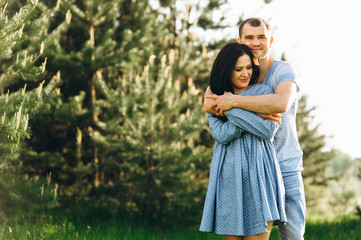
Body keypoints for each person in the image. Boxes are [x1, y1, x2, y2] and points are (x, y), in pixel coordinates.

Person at [204, 18, 306, 240]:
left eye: (261, 37)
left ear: (270, 40)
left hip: (284, 165)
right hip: (242, 169)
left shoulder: (282, 72)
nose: (255, 42)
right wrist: (239, 108)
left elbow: (280, 104)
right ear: (239, 41)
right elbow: (210, 105)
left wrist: (232, 104)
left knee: (293, 236)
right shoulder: (228, 82)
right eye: (249, 37)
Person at [199, 42, 287, 240]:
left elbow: (267, 130)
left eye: (249, 67)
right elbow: (221, 135)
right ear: (226, 70)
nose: (245, 74)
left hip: (261, 177)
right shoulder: (215, 95)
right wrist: (252, 114)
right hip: (229, 179)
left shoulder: (264, 93)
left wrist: (231, 106)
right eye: (238, 69)